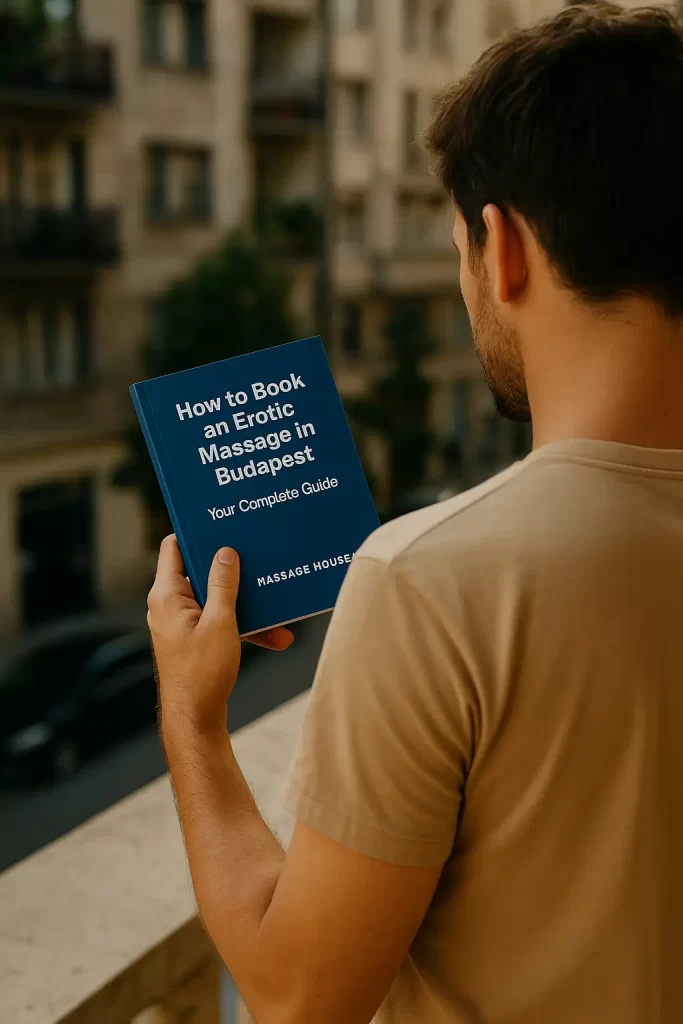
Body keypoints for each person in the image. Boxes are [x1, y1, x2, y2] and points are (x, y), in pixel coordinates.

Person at [147, 3, 683, 1021]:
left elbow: (298, 998)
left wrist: (191, 716)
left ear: (501, 247)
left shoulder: (429, 582)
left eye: (458, 250)